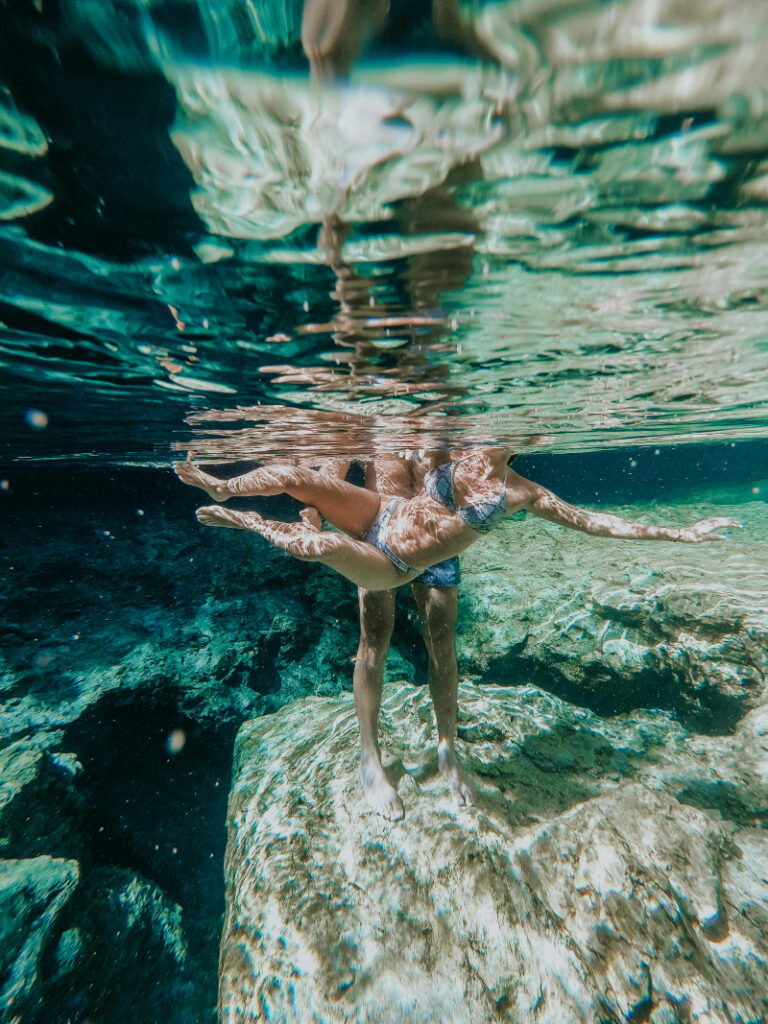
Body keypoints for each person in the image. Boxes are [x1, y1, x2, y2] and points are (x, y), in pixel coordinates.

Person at [174, 446, 741, 593]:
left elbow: (595, 522)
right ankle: (224, 483)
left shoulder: (523, 492)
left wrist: (678, 533)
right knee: (302, 475)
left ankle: (245, 521)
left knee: (315, 548)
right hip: (384, 512)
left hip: (392, 563)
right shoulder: (459, 450)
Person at [328, 452, 469, 821]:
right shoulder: (371, 415)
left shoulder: (441, 412)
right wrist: (315, 515)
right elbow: (332, 470)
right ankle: (369, 758)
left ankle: (447, 749)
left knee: (442, 642)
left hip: (435, 528)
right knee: (374, 643)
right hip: (380, 529)